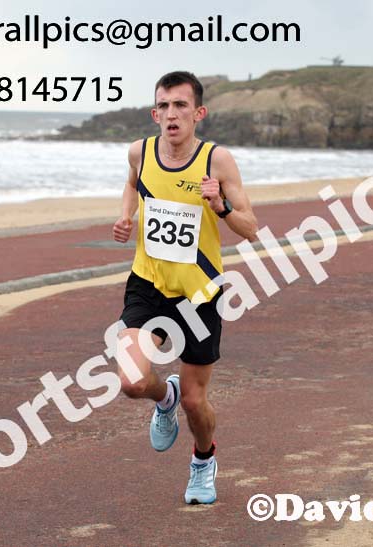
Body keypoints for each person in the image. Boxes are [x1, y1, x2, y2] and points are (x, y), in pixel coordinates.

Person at [111, 71, 258, 504]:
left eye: (181, 106)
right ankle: (163, 396)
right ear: (155, 113)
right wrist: (127, 217)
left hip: (200, 295)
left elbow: (250, 228)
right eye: (164, 106)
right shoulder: (140, 152)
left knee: (196, 404)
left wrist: (221, 205)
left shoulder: (218, 161)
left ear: (198, 113)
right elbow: (132, 182)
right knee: (132, 383)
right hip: (147, 285)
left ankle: (203, 460)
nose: (171, 114)